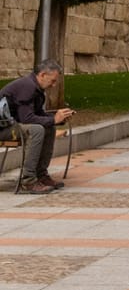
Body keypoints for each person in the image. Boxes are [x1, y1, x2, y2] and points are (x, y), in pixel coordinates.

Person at [0, 61, 74, 192]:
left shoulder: (36, 88)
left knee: (49, 128)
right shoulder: (27, 87)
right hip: (3, 129)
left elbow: (39, 115)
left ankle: (41, 175)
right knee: (36, 130)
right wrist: (54, 119)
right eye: (52, 81)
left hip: (11, 126)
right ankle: (28, 182)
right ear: (43, 74)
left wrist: (58, 119)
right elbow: (27, 119)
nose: (54, 85)